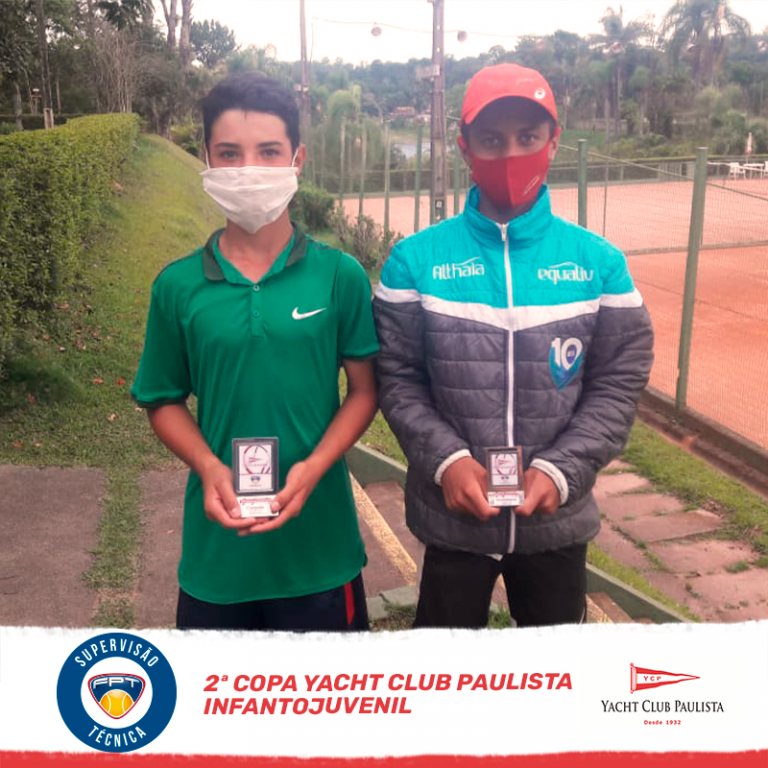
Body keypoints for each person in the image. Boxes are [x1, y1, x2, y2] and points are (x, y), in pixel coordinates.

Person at [373, 63, 653, 629]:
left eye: (528, 137)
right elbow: (397, 378)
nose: (510, 155)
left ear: (553, 141)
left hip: (556, 520)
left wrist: (561, 470)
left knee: (555, 671)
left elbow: (618, 381)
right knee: (446, 671)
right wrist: (448, 462)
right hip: (454, 519)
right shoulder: (414, 261)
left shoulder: (600, 264)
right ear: (464, 147)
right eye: (491, 140)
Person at [131, 72, 379, 632]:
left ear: (297, 159)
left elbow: (365, 392)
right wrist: (208, 465)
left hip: (321, 551)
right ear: (207, 160)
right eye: (230, 153)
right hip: (218, 559)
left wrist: (314, 468)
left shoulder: (340, 276)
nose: (249, 169)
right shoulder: (177, 287)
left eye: (268, 152)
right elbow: (163, 399)